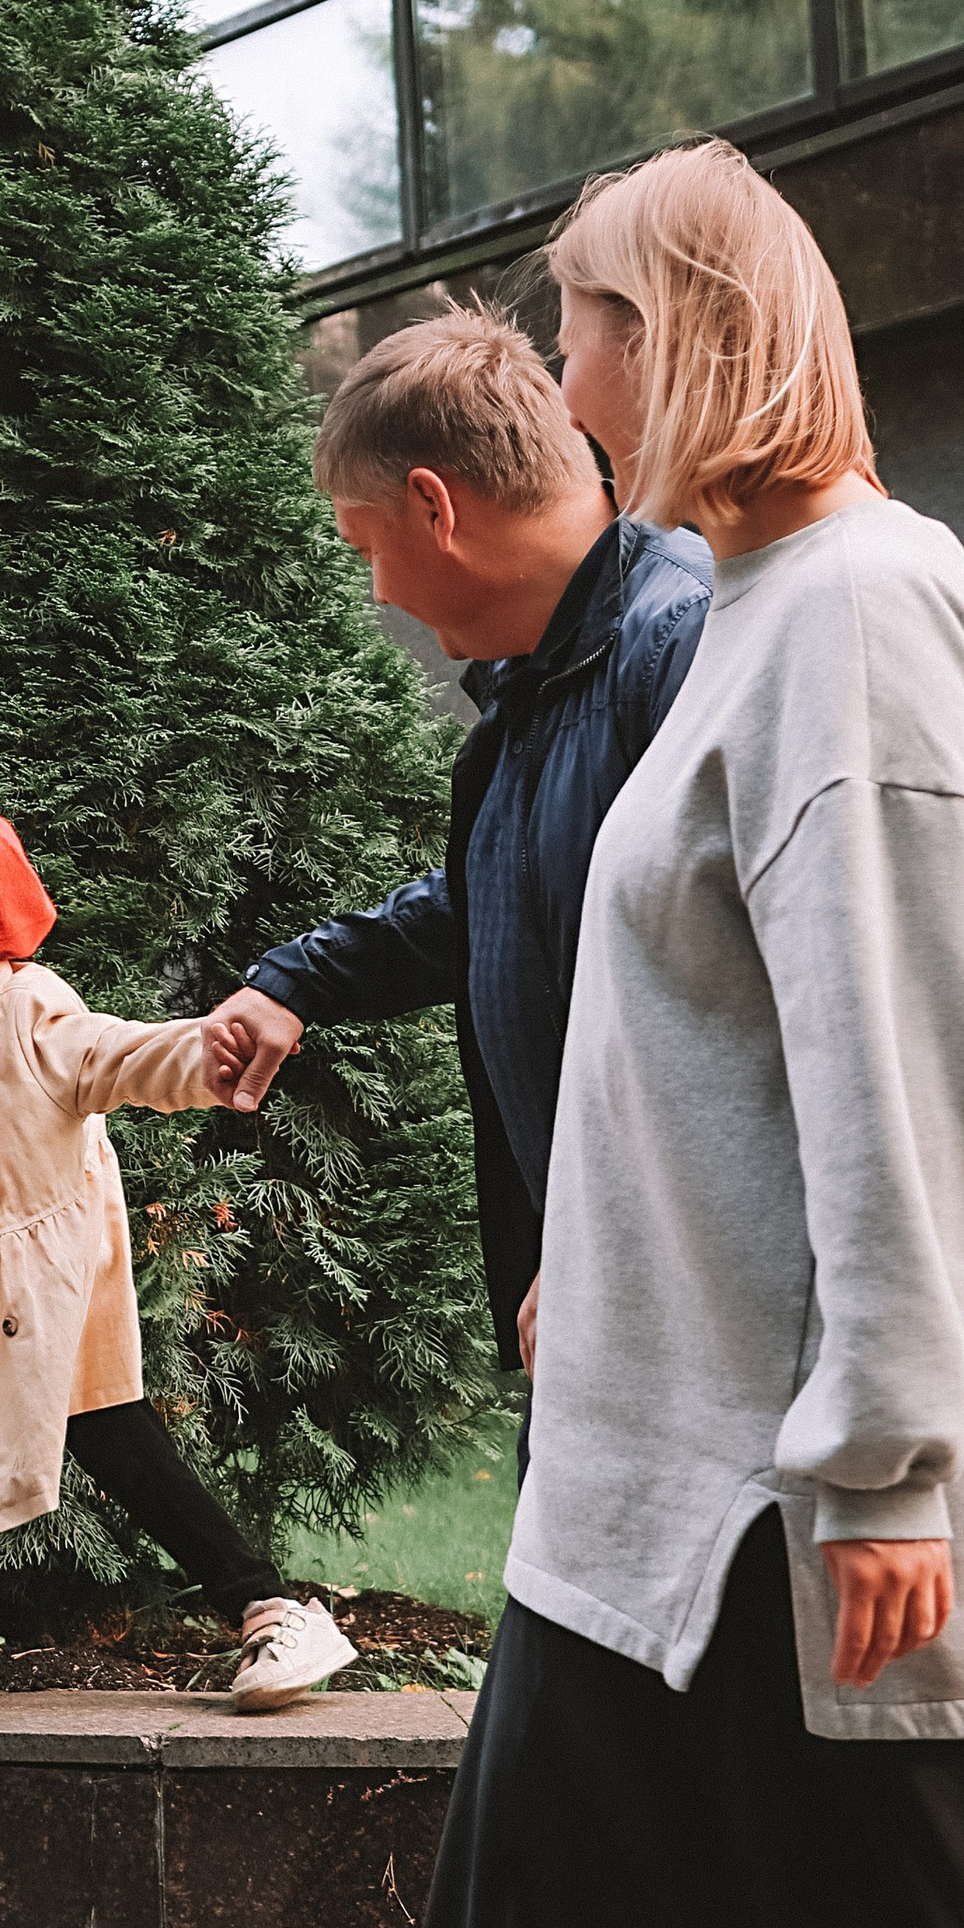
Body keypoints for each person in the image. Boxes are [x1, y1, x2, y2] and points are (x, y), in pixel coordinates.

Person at [254, 139, 964, 1928]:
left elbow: (900, 1065)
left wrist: (880, 1459)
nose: (560, 376)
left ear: (685, 329)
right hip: (659, 1479)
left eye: (582, 321)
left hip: (770, 1510)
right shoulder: (763, 624)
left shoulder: (838, 622)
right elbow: (692, 1051)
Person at [200, 304, 710, 1378]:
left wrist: (605, 1247)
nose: (377, 589)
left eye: (364, 548)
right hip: (593, 1296)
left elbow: (728, 1007)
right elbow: (496, 901)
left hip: (675, 1307)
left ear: (432, 507)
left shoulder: (681, 644)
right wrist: (297, 983)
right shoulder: (538, 679)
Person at [0, 793, 354, 1713]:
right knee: (111, 1432)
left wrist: (203, 1054)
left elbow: (111, 1057)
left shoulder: (22, 1005)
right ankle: (267, 1605)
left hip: (34, 1270)